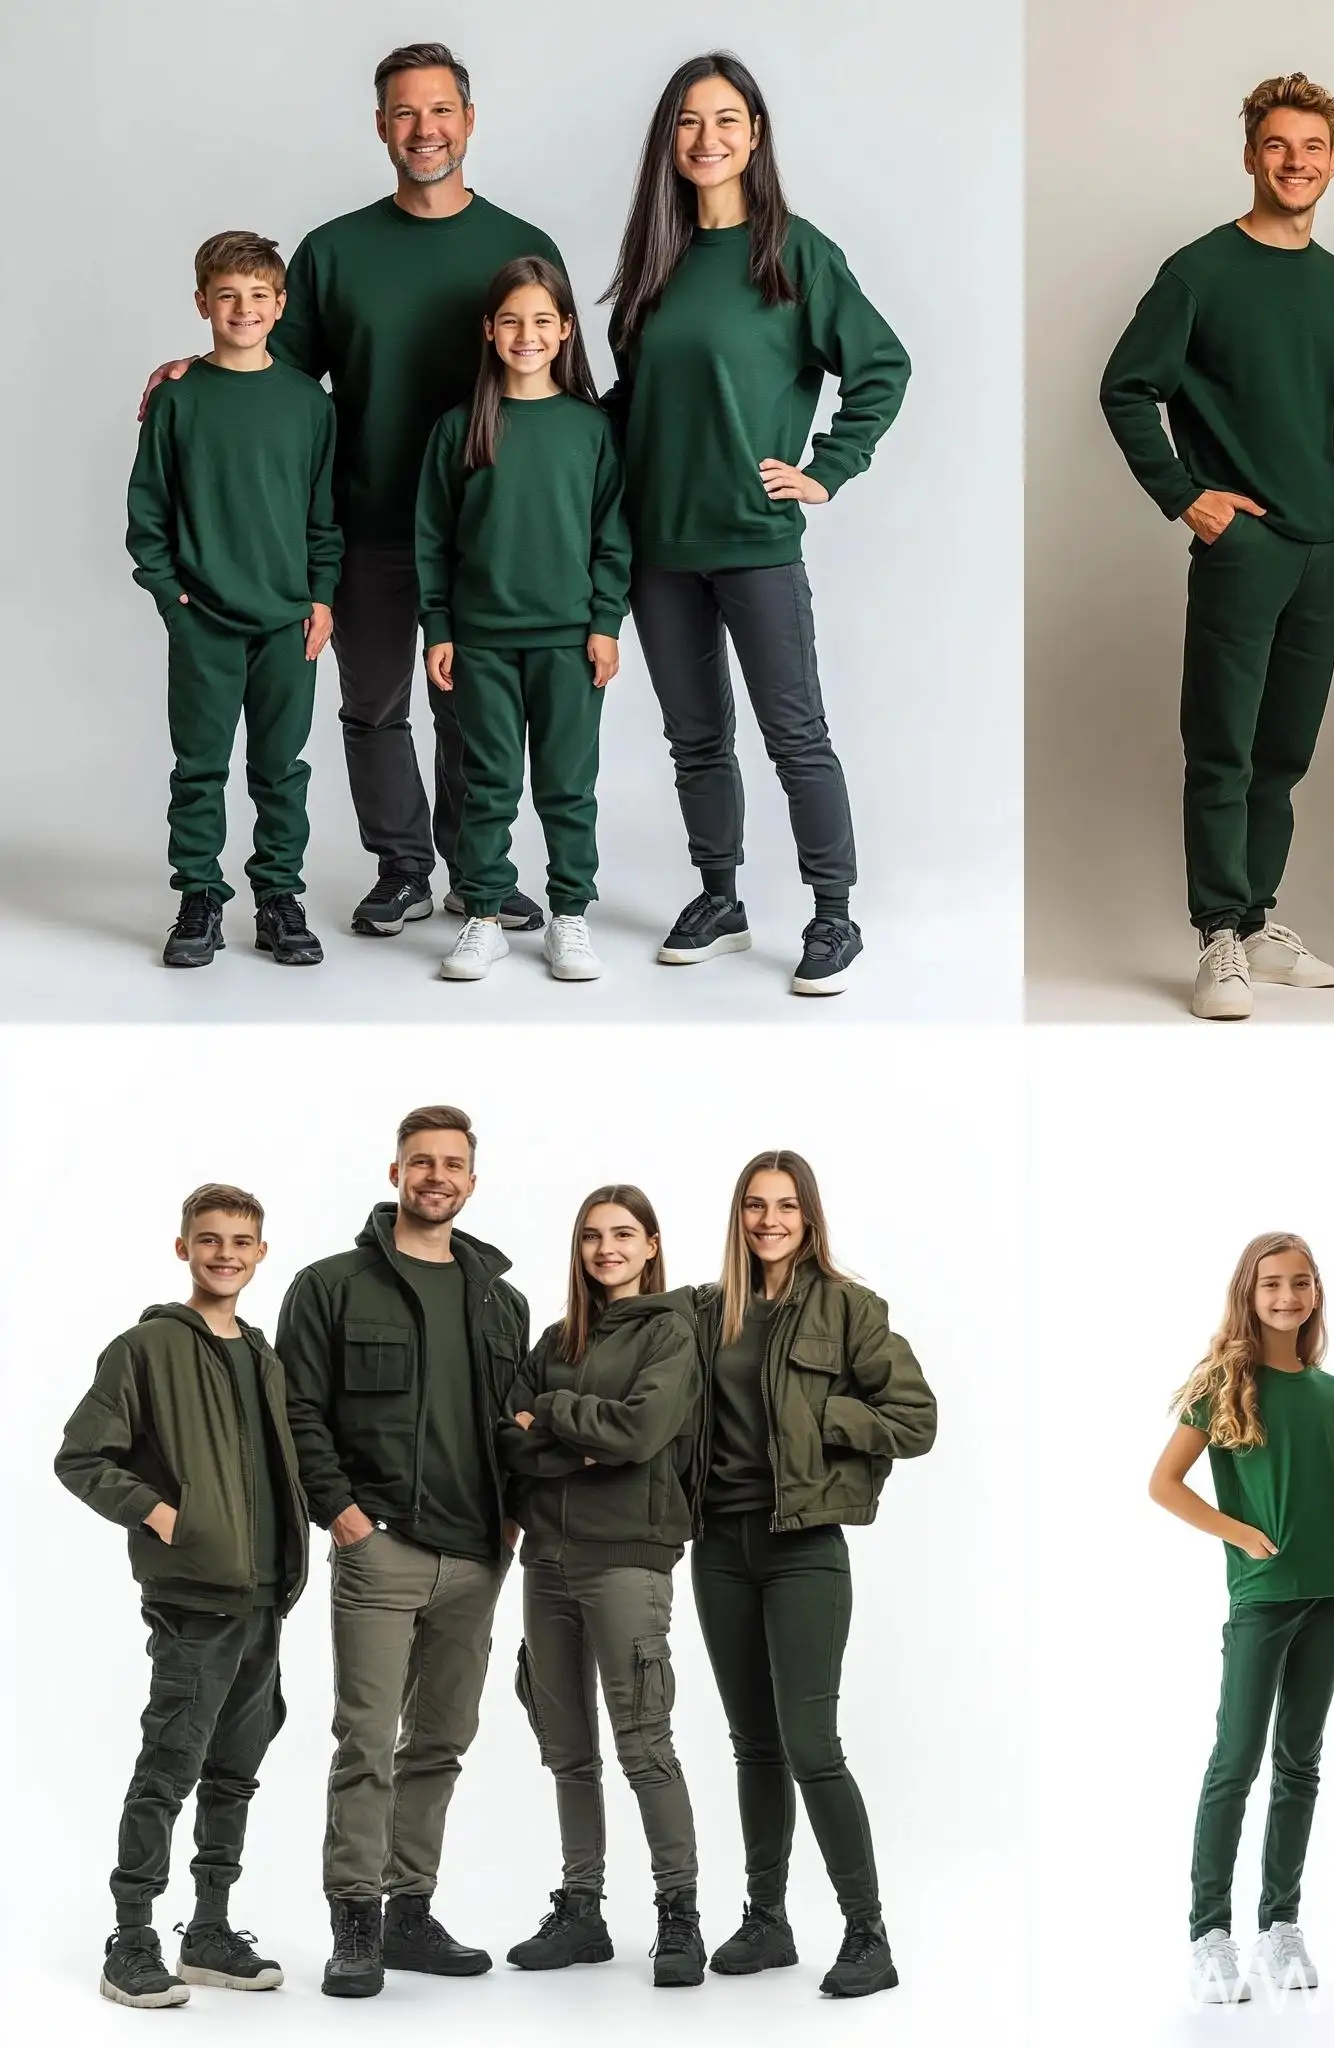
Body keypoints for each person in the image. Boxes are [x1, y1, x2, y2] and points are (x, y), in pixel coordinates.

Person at [139, 42, 564, 938]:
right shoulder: (334, 251)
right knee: (374, 709)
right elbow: (262, 378)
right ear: (380, 127)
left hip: (483, 532)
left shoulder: (521, 246)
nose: (425, 129)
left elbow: (563, 385)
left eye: (441, 109)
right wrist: (185, 369)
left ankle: (477, 873)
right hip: (367, 524)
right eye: (404, 113)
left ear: (470, 120)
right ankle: (402, 867)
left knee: (473, 713)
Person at [605, 53, 910, 996]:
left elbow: (882, 366)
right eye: (689, 122)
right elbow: (632, 405)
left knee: (795, 735)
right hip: (660, 546)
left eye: (726, 120)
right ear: (670, 139)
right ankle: (721, 899)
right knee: (694, 738)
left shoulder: (794, 252)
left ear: (755, 135)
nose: (707, 139)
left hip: (754, 540)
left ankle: (833, 914)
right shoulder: (652, 263)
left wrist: (825, 470)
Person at [1101, 72, 1334, 1022]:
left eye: (1313, 149)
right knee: (1222, 744)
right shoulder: (1199, 272)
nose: (1296, 163)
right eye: (1278, 146)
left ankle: (1257, 919)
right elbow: (1126, 385)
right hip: (1243, 544)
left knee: (1285, 748)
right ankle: (1217, 932)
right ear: (1251, 154)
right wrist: (1185, 495)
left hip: (1323, 545)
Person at [277, 1105, 530, 1998]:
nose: (436, 1176)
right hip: (380, 1549)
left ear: (472, 1180)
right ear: (395, 1175)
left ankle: (409, 1911)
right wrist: (343, 1515)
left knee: (442, 1742)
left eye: (452, 1163)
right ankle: (354, 1919)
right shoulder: (330, 1285)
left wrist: (510, 1524)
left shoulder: (503, 1298)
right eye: (420, 1161)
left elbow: (512, 1425)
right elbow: (297, 1411)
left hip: (477, 1559)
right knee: (366, 1742)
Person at [687, 1150, 937, 1997]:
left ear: (809, 1217)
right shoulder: (706, 1311)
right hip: (720, 1547)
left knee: (810, 1745)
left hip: (804, 1550)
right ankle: (767, 1920)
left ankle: (868, 1935)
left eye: (785, 1207)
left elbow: (916, 1417)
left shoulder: (847, 1307)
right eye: (755, 1206)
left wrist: (821, 1414)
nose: (768, 1221)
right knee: (752, 1745)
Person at [55, 1185, 308, 2008]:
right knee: (171, 1762)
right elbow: (82, 1457)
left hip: (265, 1595)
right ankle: (130, 1936)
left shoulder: (263, 1354)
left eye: (241, 1241)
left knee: (235, 1770)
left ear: (261, 1252)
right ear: (184, 1249)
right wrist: (164, 1513)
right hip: (196, 1597)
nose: (226, 1253)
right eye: (210, 1240)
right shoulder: (147, 1347)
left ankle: (208, 1930)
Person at [497, 1187, 706, 1985]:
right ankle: (581, 1910)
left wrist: (550, 1412)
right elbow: (508, 1444)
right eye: (592, 1235)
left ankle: (678, 1914)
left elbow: (643, 1432)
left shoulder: (672, 1332)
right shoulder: (556, 1338)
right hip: (545, 1562)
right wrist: (577, 1442)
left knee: (644, 1741)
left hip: (628, 1558)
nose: (606, 1248)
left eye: (623, 1234)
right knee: (566, 1750)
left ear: (651, 1245)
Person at [1149, 1233, 1334, 2005]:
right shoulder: (1221, 1383)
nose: (1287, 1297)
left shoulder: (1329, 1388)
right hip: (1262, 1598)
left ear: (1315, 1293)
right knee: (1234, 1761)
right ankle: (1210, 1932)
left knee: (1300, 1762)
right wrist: (1239, 1532)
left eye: (1300, 1283)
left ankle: (1281, 1924)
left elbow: (1326, 1475)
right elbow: (1164, 1484)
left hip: (1333, 1591)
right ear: (1249, 1293)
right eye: (1272, 1284)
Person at [127, 232, 340, 970]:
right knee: (199, 769)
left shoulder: (308, 404)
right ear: (202, 304)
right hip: (204, 622)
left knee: (281, 770)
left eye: (258, 296)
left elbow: (323, 516)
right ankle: (199, 899)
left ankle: (278, 898)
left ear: (281, 305)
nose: (243, 309)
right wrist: (172, 599)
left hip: (289, 624)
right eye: (227, 296)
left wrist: (322, 597)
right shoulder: (178, 399)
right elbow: (147, 515)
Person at [416, 256, 631, 984]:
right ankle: (483, 915)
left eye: (543, 320)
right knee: (488, 782)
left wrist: (606, 622)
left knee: (568, 785)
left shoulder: (590, 430)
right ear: (489, 330)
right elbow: (433, 540)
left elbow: (612, 536)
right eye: (511, 320)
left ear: (567, 329)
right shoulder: (459, 429)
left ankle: (569, 914)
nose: (527, 333)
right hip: (480, 642)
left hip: (570, 642)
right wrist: (438, 627)